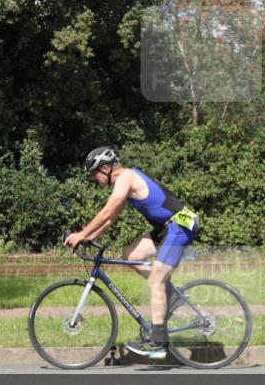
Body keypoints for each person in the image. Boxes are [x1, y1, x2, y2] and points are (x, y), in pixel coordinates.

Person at [64, 146, 199, 360]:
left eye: (94, 174)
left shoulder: (126, 177)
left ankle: (158, 343)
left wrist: (81, 234)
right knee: (131, 255)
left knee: (155, 281)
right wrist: (89, 237)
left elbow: (107, 211)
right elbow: (110, 219)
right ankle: (170, 295)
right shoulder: (125, 181)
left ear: (106, 168)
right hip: (167, 227)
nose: (94, 179)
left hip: (180, 226)